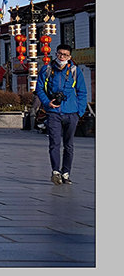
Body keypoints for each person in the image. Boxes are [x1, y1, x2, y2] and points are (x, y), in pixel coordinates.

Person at [36, 43, 89, 185]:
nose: (62, 57)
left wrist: (80, 112)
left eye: (65, 55)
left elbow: (82, 92)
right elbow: (39, 89)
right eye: (60, 54)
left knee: (69, 145)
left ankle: (66, 172)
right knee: (54, 143)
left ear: (69, 56)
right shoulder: (46, 69)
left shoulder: (75, 71)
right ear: (56, 54)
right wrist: (47, 103)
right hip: (54, 112)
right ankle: (55, 172)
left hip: (72, 113)